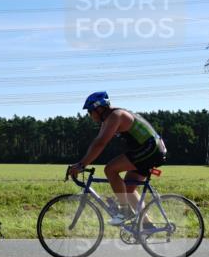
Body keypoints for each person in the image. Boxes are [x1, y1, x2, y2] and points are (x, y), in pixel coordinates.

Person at [69, 91, 167, 226]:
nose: (89, 115)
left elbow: (101, 143)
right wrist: (82, 163)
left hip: (151, 149)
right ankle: (147, 225)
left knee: (110, 169)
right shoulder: (108, 119)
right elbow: (97, 142)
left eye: (90, 111)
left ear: (99, 109)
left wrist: (81, 165)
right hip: (151, 149)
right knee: (128, 189)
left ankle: (125, 211)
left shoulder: (116, 116)